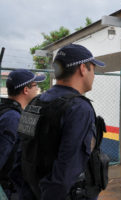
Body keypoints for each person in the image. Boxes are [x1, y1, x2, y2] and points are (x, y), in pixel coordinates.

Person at [18, 44, 105, 200]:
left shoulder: (36, 102)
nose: (94, 75)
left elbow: (21, 153)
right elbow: (66, 171)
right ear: (83, 68)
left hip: (32, 192)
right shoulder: (79, 108)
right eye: (93, 68)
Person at [0, 69, 45, 199]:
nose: (37, 89)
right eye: (36, 85)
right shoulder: (12, 118)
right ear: (26, 90)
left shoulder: (6, 111)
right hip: (7, 190)